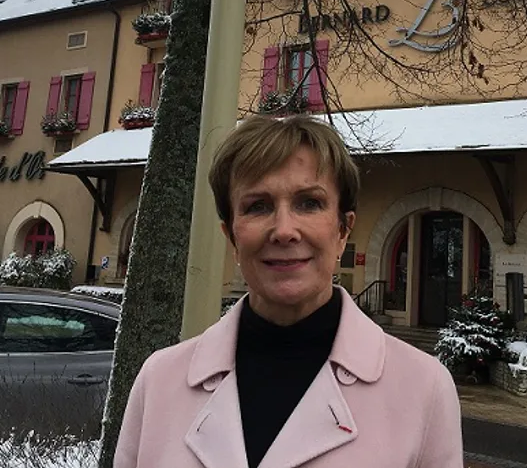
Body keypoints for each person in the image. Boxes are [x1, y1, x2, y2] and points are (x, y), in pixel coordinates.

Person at [114, 114, 463, 468]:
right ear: (232, 237)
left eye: (309, 203)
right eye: (258, 206)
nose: (284, 231)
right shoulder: (159, 382)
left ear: (343, 230)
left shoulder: (423, 389)